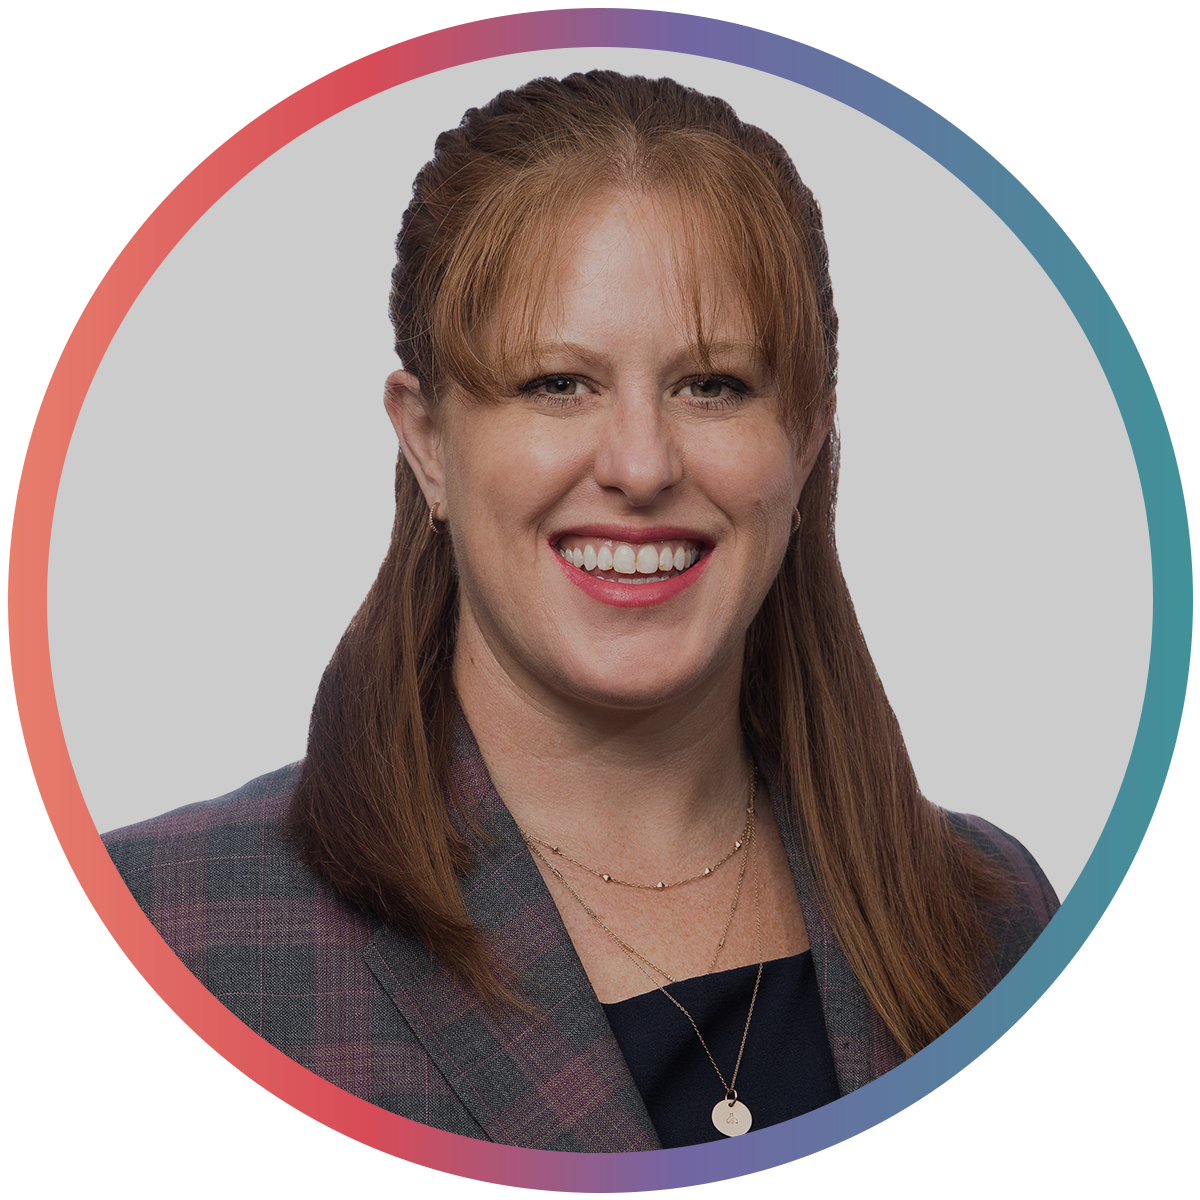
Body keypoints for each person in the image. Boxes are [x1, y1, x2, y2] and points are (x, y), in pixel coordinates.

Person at [103, 70, 1059, 1152]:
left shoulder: (1001, 918)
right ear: (427, 441)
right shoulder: (164, 939)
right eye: (557, 383)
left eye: (713, 385)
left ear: (805, 442)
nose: (642, 465)